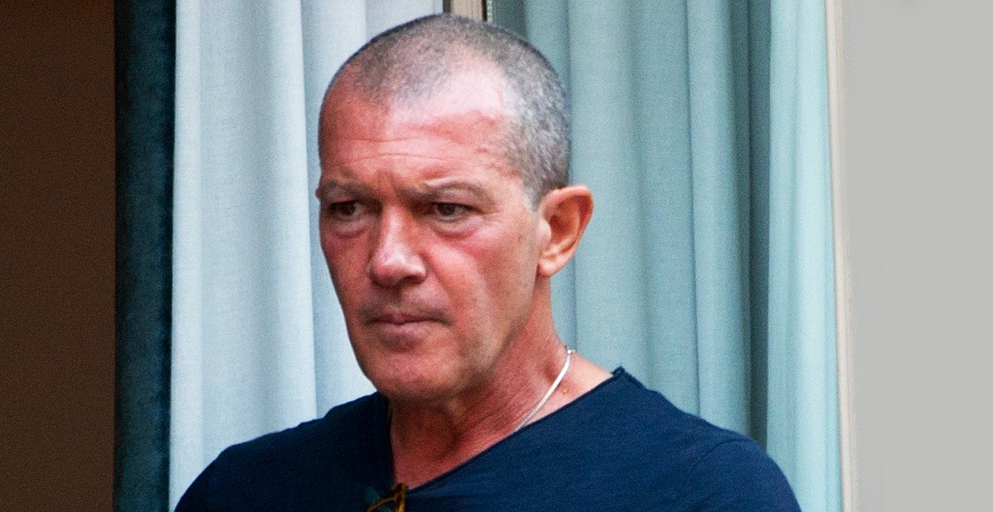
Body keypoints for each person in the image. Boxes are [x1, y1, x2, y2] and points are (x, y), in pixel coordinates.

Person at [176, 13, 800, 511]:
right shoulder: (248, 490)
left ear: (557, 231)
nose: (388, 261)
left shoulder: (698, 491)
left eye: (446, 209)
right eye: (349, 208)